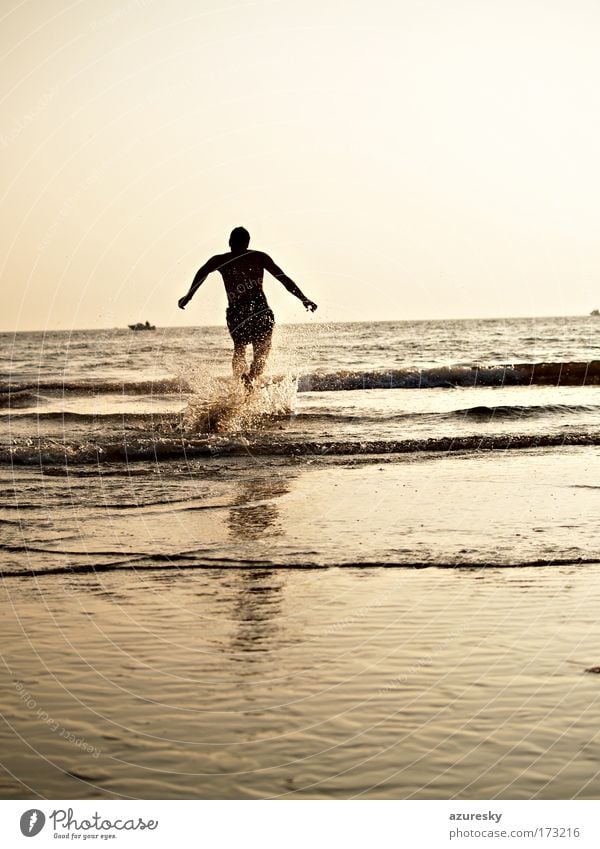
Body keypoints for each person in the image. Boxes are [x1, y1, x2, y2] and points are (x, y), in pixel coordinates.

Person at [178, 227, 317, 385]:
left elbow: (202, 273)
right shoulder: (258, 257)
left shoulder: (221, 260)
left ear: (230, 242)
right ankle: (251, 377)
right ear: (247, 242)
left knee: (239, 348)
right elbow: (283, 278)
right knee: (262, 352)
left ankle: (240, 383)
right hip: (260, 311)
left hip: (237, 313)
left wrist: (189, 296)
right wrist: (303, 299)